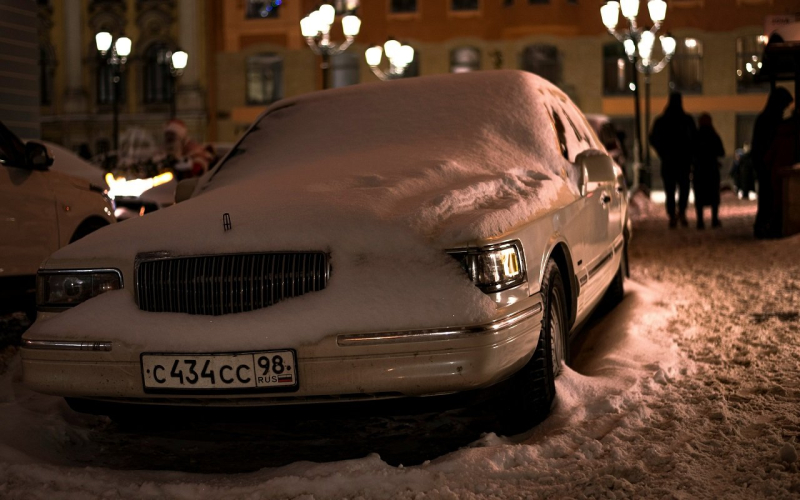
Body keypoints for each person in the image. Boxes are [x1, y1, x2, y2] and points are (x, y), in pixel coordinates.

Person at [650, 92, 697, 228]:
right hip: (682, 161)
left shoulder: (662, 121)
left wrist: (662, 152)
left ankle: (673, 215)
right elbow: (694, 139)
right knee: (683, 188)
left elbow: (653, 138)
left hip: (670, 161)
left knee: (670, 190)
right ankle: (680, 212)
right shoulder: (687, 120)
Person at [752, 87, 793, 239]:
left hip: (767, 163)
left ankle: (764, 225)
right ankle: (765, 226)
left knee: (767, 197)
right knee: (769, 197)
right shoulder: (771, 121)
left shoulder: (764, 119)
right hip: (769, 163)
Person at [693, 113, 725, 229]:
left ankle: (700, 221)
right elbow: (721, 151)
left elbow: (691, 151)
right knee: (713, 195)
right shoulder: (714, 135)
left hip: (699, 169)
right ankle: (714, 219)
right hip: (712, 169)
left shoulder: (696, 135)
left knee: (699, 195)